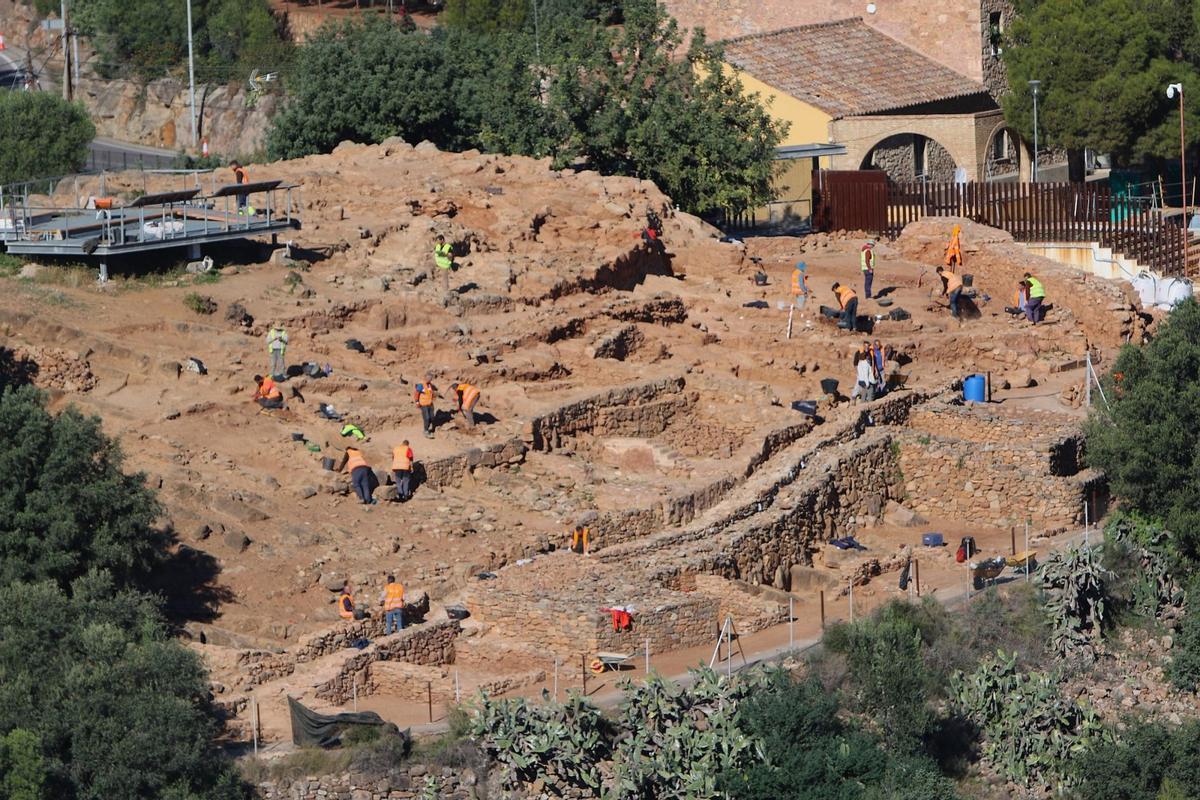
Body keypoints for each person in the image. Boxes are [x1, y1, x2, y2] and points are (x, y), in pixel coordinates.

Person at [413, 373, 438, 439]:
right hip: (423, 404)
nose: (430, 379)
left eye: (431, 378)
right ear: (425, 378)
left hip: (430, 404)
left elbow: (432, 392)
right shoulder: (421, 385)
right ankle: (426, 431)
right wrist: (417, 402)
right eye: (429, 378)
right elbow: (416, 393)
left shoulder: (430, 385)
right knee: (426, 418)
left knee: (432, 417)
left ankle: (428, 426)